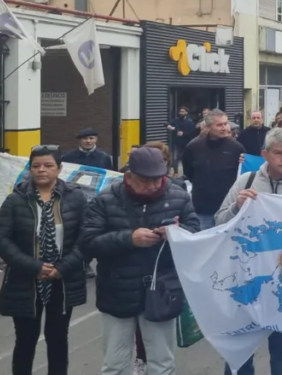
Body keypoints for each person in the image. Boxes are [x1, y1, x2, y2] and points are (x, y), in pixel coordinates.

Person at [80, 146, 200, 375]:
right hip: (117, 290)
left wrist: (178, 233)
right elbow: (88, 242)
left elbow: (196, 233)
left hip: (162, 289)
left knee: (162, 362)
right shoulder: (105, 200)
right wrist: (129, 239)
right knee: (115, 363)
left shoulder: (179, 196)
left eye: (159, 178)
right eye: (146, 180)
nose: (154, 185)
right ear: (129, 176)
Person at [214, 128, 282, 375]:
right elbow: (219, 223)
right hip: (246, 280)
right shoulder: (246, 182)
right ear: (264, 154)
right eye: (278, 153)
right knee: (239, 349)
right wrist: (236, 208)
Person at [0, 145, 88, 375]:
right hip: (25, 280)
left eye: (48, 166)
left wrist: (62, 268)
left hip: (62, 280)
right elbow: (0, 238)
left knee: (57, 339)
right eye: (36, 166)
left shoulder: (75, 198)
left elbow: (86, 239)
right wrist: (33, 266)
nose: (41, 170)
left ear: (59, 169)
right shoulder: (16, 200)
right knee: (25, 340)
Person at [182, 109, 245, 229]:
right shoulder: (193, 147)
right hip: (202, 209)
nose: (224, 128)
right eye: (219, 125)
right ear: (208, 127)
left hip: (229, 208)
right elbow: (188, 173)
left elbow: (243, 174)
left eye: (225, 123)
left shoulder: (237, 148)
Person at [166, 107, 195, 176]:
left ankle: (186, 173)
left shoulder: (189, 122)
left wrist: (183, 133)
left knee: (184, 159)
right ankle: (176, 172)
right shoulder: (176, 120)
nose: (181, 113)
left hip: (186, 143)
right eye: (180, 111)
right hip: (177, 142)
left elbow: (192, 132)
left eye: (183, 111)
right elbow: (168, 123)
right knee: (175, 157)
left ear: (186, 113)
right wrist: (169, 126)